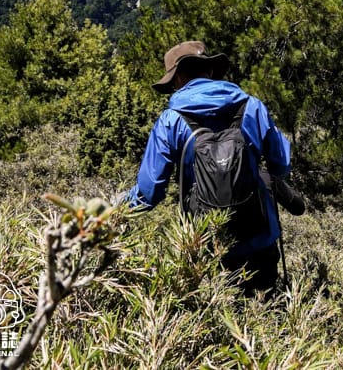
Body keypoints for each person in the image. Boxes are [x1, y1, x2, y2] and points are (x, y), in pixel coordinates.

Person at [124, 40, 292, 295]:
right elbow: (281, 165)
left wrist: (114, 209)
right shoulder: (252, 107)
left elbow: (149, 193)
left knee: (216, 314)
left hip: (206, 244)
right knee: (266, 307)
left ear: (178, 78)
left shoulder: (170, 121)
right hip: (259, 238)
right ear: (210, 71)